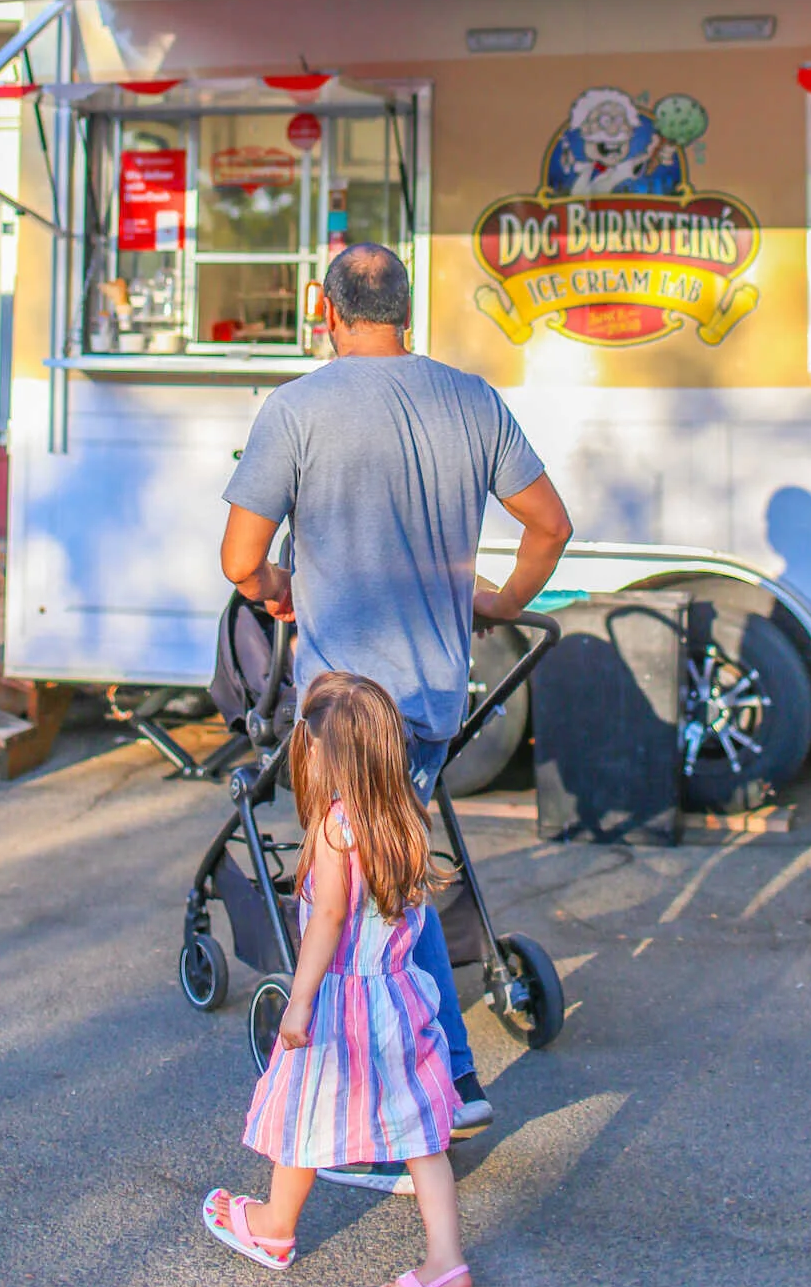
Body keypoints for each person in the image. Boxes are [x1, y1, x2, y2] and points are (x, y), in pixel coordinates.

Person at [220, 240, 572, 1190]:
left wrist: (278, 586)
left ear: (321, 308)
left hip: (341, 716)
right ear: (407, 310)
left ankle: (386, 1122)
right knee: (394, 889)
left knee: (349, 908)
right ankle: (454, 1079)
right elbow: (550, 526)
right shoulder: (471, 400)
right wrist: (497, 602)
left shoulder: (294, 409)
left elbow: (239, 560)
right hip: (426, 703)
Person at [202, 672, 478, 1287]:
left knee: (300, 1112)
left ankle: (273, 1226)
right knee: (422, 1137)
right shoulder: (406, 813)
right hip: (400, 997)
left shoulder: (336, 828)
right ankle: (446, 1262)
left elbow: (326, 921)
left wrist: (299, 1002)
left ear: (324, 755)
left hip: (342, 1001)